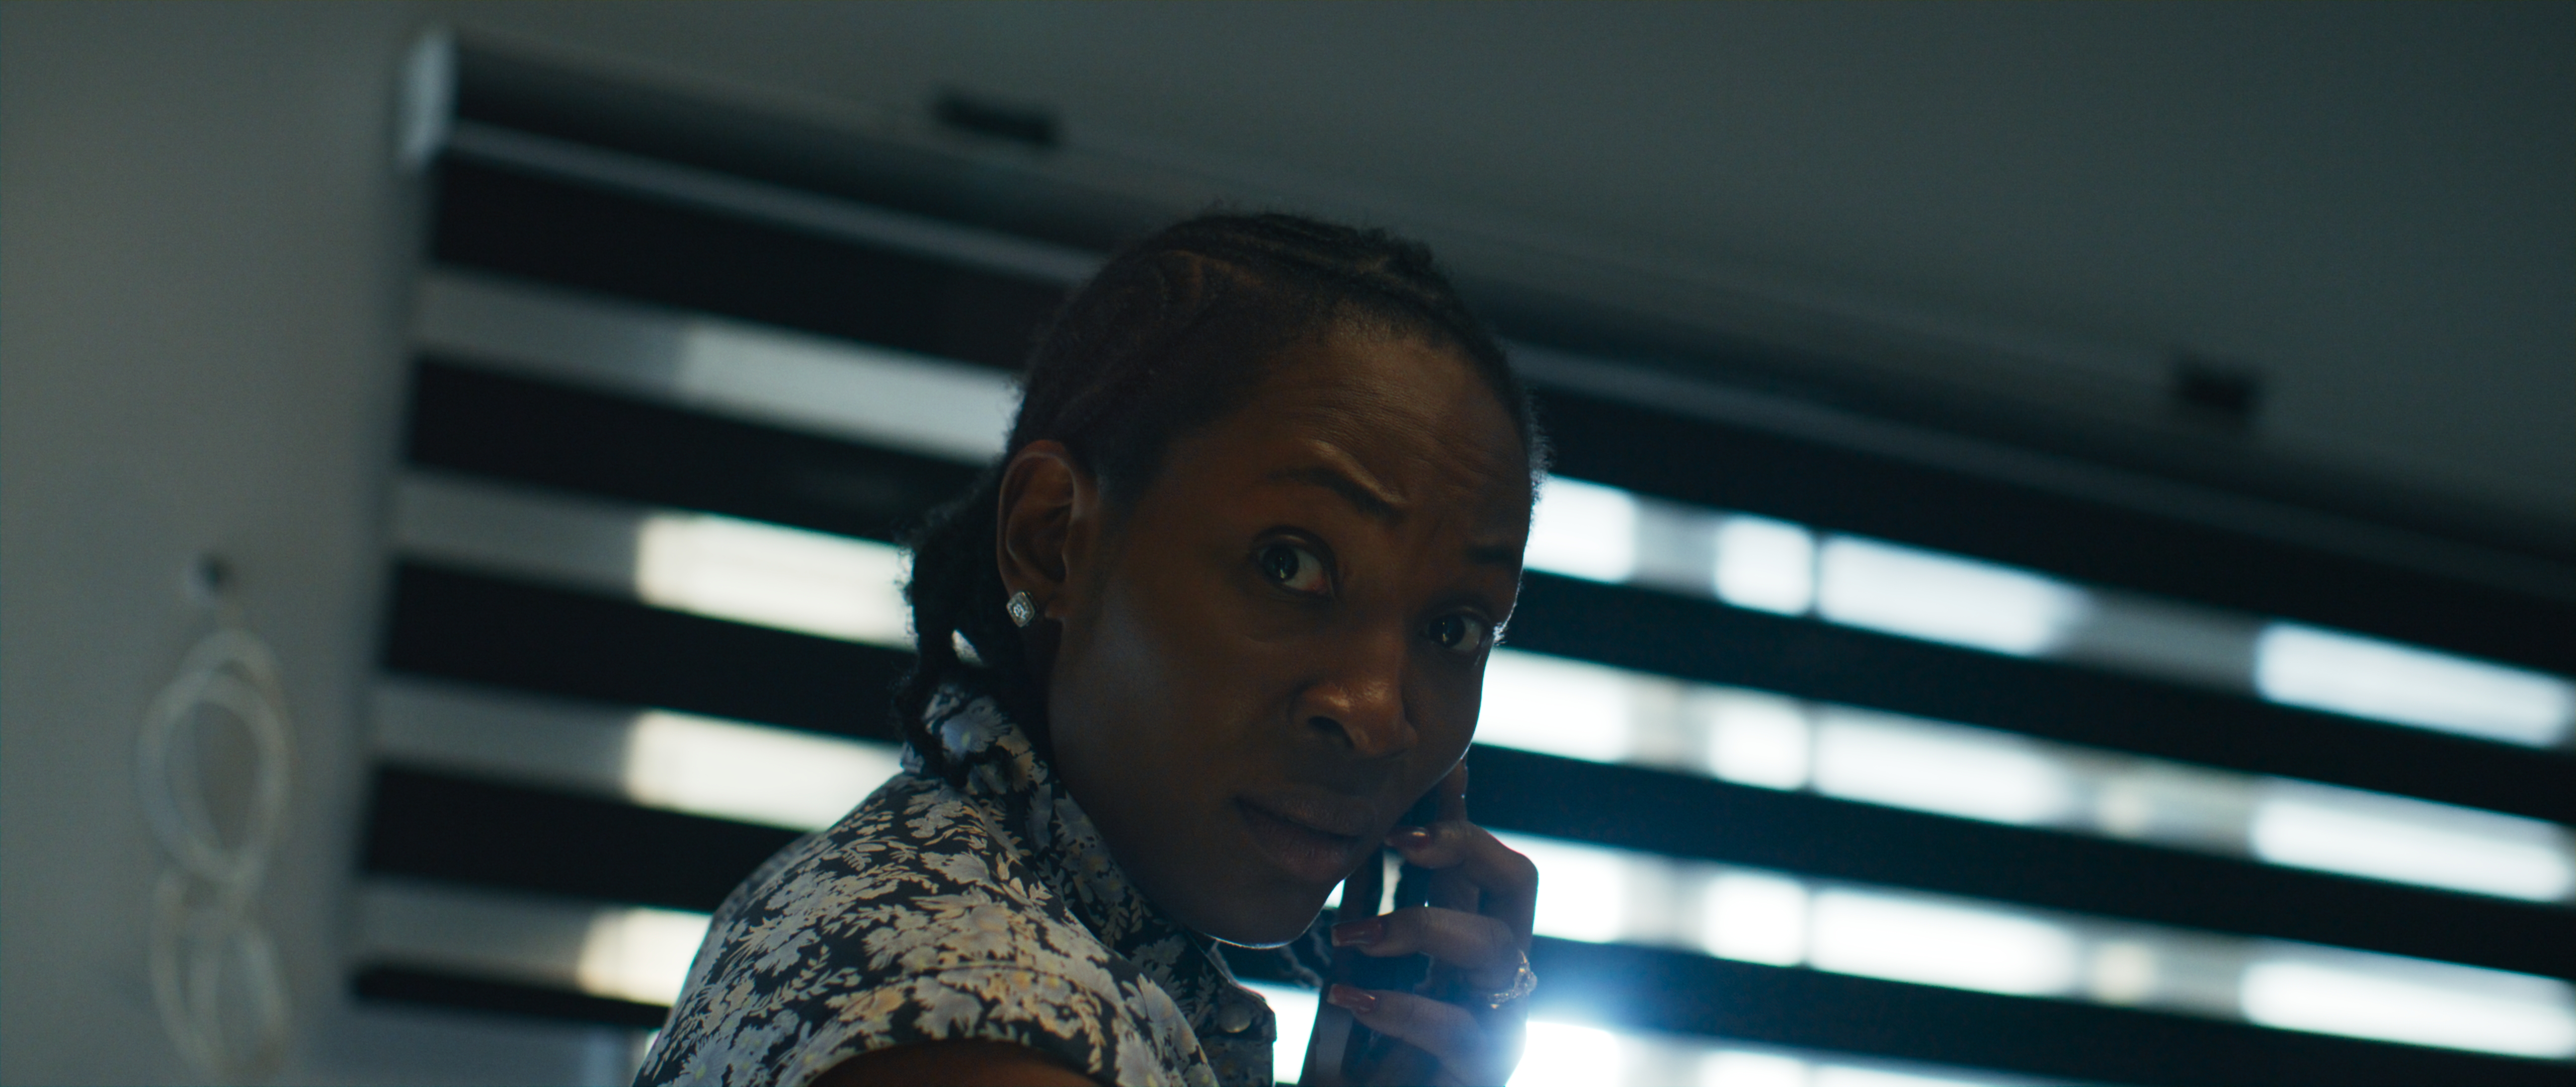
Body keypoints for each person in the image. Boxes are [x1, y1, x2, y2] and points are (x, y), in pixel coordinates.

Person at [635, 212, 1547, 1086]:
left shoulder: (904, 902)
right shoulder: (994, 1016)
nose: (1379, 716)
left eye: (1455, 628)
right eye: (1288, 564)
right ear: (1051, 540)